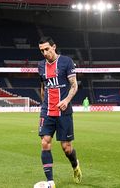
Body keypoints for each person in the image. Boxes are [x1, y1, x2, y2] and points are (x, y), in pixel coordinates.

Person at [37, 36, 82, 187]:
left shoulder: (66, 62)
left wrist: (66, 101)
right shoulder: (41, 65)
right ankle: (50, 182)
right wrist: (43, 103)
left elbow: (74, 85)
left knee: (66, 148)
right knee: (45, 143)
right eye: (41, 50)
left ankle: (75, 165)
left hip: (64, 111)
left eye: (47, 49)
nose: (44, 53)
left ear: (54, 47)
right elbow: (43, 86)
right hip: (47, 111)